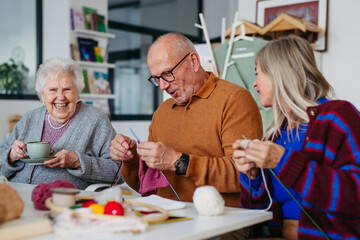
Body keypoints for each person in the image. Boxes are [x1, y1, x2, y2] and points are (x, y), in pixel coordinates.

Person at [110, 33, 263, 208]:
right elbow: (147, 185)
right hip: (166, 216)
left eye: (167, 73)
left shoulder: (234, 99)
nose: (163, 86)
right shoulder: (162, 112)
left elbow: (246, 176)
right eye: (157, 78)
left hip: (221, 220)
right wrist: (130, 160)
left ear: (193, 61)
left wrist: (178, 162)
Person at [233, 35, 360, 239]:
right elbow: (256, 213)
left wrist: (283, 162)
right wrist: (253, 176)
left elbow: (356, 196)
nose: (254, 84)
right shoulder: (274, 136)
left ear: (279, 73)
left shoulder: (338, 117)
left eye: (258, 74)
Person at [0, 57, 120, 190]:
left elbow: (119, 171)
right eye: (53, 90)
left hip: (58, 201)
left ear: (77, 92)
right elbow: (2, 156)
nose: (61, 96)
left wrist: (78, 162)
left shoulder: (96, 119)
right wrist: (10, 156)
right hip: (14, 193)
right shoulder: (30, 117)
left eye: (67, 89)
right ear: (42, 95)